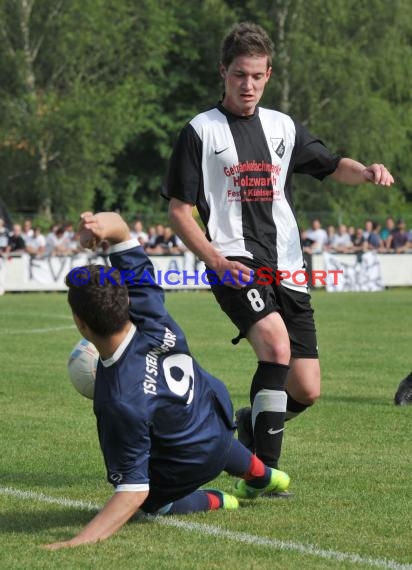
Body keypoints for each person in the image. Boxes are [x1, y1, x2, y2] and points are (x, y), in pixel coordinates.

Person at [164, 22, 395, 480]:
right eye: (238, 75)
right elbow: (178, 210)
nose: (247, 85)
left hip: (289, 266)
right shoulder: (200, 131)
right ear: (223, 72)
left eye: (255, 76)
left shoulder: (282, 127)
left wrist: (366, 172)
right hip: (235, 261)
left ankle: (252, 423)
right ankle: (262, 473)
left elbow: (331, 166)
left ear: (268, 74)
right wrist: (214, 260)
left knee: (307, 389)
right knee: (275, 344)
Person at [44, 211, 290, 550]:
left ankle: (218, 500)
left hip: (191, 461)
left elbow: (133, 491)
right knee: (195, 429)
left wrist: (75, 543)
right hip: (216, 414)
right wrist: (97, 228)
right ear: (125, 298)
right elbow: (122, 230)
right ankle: (266, 476)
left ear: (82, 326)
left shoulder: (117, 399)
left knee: (151, 503)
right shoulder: (148, 307)